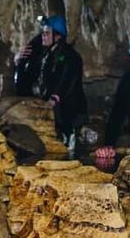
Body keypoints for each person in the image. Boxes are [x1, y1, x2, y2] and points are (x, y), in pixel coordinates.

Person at [14, 15, 88, 156]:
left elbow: (67, 80)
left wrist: (54, 99)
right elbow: (24, 81)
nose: (43, 36)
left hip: (69, 113)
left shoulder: (71, 57)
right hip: (51, 110)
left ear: (58, 36)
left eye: (47, 33)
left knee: (66, 150)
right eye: (43, 33)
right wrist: (19, 62)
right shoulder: (42, 53)